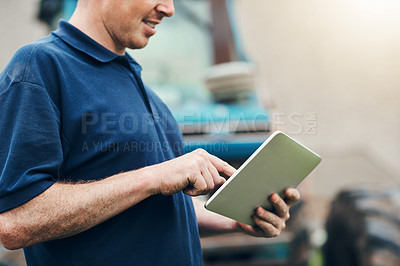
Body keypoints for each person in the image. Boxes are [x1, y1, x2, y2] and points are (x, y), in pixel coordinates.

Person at [0, 0, 300, 265]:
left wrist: (233, 220)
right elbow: (16, 222)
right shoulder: (38, 67)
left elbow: (150, 210)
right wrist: (153, 177)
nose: (169, 8)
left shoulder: (135, 80)